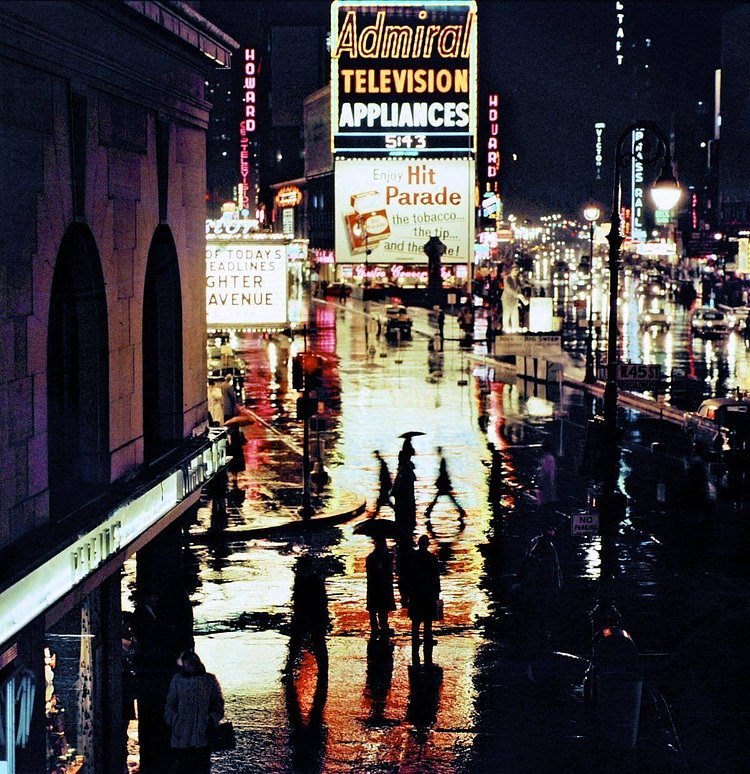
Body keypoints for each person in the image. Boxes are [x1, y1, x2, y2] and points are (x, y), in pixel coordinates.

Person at [164, 650, 225, 774]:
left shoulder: (209, 680)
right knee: (183, 767)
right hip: (181, 734)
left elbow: (218, 703)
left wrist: (210, 719)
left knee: (201, 767)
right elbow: (170, 704)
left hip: (202, 734)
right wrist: (174, 720)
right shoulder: (177, 680)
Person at [286, 554, 330, 676]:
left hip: (314, 616)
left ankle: (323, 671)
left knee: (317, 643)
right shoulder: (302, 579)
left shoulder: (313, 581)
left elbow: (321, 601)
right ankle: (290, 667)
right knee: (297, 643)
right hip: (303, 615)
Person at [408, 535, 442, 664]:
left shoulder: (412, 558)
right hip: (428, 594)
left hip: (416, 594)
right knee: (428, 621)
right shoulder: (432, 559)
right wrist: (437, 594)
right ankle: (427, 640)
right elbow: (435, 578)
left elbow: (408, 577)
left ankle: (415, 640)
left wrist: (406, 594)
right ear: (428, 544)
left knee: (416, 621)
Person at [424, 446, 466, 523]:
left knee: (438, 499)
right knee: (447, 498)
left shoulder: (442, 460)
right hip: (443, 482)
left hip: (443, 483)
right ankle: (460, 511)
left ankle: (429, 511)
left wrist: (440, 481)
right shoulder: (442, 459)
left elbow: (443, 472)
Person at [366, 536, 397, 639]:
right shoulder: (377, 558)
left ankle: (378, 628)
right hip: (380, 587)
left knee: (377, 609)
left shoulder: (374, 557)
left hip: (376, 587)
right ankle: (380, 628)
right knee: (380, 609)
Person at [391, 441, 417, 531]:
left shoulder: (405, 467)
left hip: (405, 496)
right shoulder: (405, 468)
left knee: (402, 518)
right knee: (405, 519)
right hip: (405, 496)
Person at [536, 440, 558, 523]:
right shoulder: (548, 458)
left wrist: (541, 482)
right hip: (547, 484)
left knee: (546, 503)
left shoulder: (547, 458)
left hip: (546, 484)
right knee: (547, 503)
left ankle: (547, 521)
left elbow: (547, 472)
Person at [501, 266, 527, 333]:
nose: (516, 272)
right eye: (515, 270)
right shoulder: (507, 278)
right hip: (507, 299)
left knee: (515, 313)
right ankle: (505, 327)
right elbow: (508, 288)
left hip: (514, 299)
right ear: (511, 270)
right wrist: (517, 295)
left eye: (517, 270)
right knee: (507, 313)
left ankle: (516, 327)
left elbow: (520, 287)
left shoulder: (517, 279)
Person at [372, 450, 393, 516]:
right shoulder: (383, 464)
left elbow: (385, 476)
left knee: (381, 502)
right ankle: (374, 516)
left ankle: (373, 517)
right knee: (385, 501)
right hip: (385, 485)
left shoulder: (383, 464)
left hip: (384, 486)